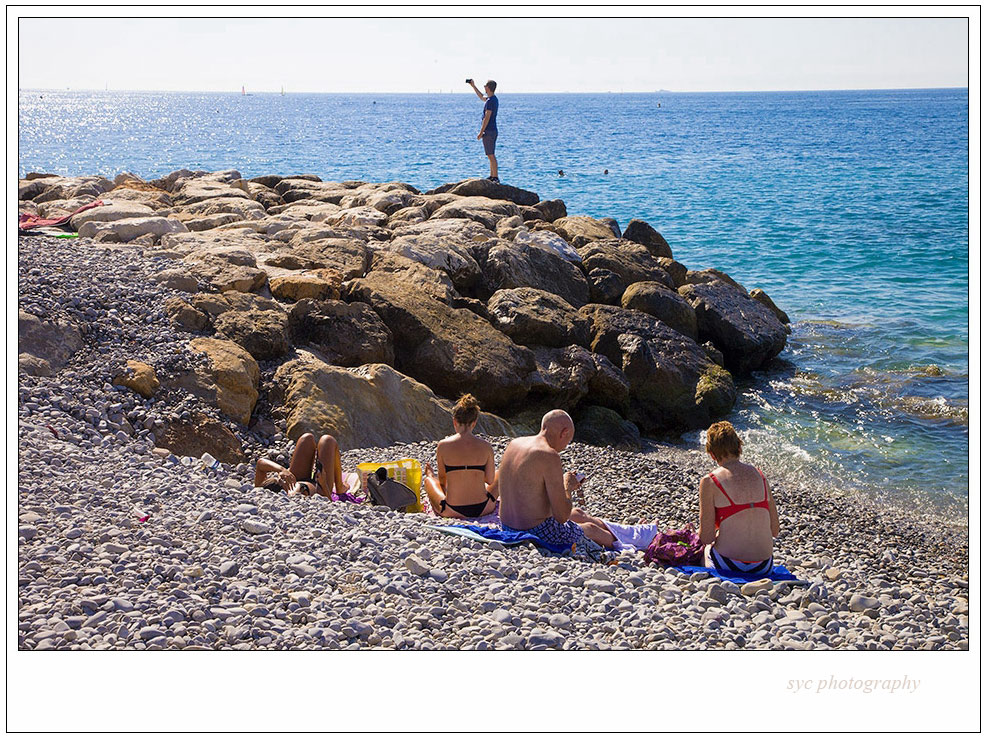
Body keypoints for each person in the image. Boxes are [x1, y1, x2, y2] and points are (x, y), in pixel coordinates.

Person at [497, 409, 614, 549]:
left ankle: (623, 532)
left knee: (577, 514)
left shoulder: (515, 443)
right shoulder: (549, 455)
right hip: (534, 532)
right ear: (564, 433)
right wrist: (567, 486)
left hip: (506, 526)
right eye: (568, 441)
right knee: (591, 529)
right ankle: (630, 546)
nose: (565, 446)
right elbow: (562, 516)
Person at [697, 421, 780, 576]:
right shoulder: (760, 476)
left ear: (712, 454)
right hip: (763, 566)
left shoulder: (710, 481)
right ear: (739, 448)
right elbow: (774, 530)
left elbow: (706, 537)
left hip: (728, 564)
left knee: (704, 550)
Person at [423, 394, 498, 519]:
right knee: (500, 474)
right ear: (474, 423)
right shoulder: (486, 446)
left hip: (452, 510)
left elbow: (442, 481)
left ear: (454, 422)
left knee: (429, 480)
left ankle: (430, 476)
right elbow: (490, 480)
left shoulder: (443, 445)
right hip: (484, 508)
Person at [254, 432, 345, 499]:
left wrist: (282, 470)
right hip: (320, 487)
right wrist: (323, 483)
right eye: (282, 481)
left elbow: (260, 463)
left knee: (307, 438)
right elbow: (328, 502)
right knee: (328, 440)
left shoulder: (259, 490)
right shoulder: (294, 494)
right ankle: (340, 487)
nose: (283, 480)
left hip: (299, 478)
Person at [467, 78, 499, 182]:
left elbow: (487, 117)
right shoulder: (493, 99)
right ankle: (492, 176)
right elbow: (482, 97)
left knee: (491, 155)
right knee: (490, 154)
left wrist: (481, 132)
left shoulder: (490, 101)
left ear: (488, 87)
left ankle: (495, 177)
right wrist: (473, 86)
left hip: (489, 131)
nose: (484, 87)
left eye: (485, 85)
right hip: (492, 130)